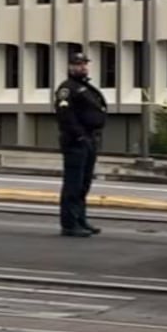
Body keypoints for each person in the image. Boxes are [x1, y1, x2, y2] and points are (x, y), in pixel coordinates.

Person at [54, 52, 107, 237]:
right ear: (70, 66)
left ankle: (80, 219)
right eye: (78, 64)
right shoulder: (67, 88)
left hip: (89, 139)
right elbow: (65, 116)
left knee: (84, 184)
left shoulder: (84, 87)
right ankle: (69, 223)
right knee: (73, 184)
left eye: (84, 64)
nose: (82, 67)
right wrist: (80, 136)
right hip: (76, 141)